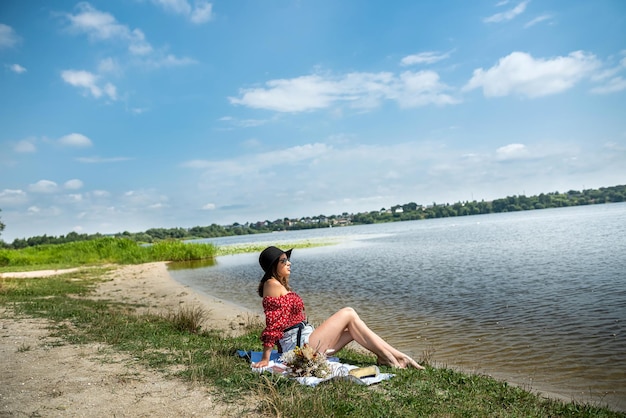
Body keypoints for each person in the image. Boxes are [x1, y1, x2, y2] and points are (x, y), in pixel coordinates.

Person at [252, 245, 424, 370]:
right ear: (273, 266)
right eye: (283, 261)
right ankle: (392, 359)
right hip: (298, 349)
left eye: (288, 259)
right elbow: (273, 324)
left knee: (354, 331)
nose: (289, 263)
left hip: (307, 341)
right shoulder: (271, 284)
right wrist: (266, 357)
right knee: (348, 313)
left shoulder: (279, 284)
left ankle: (396, 357)